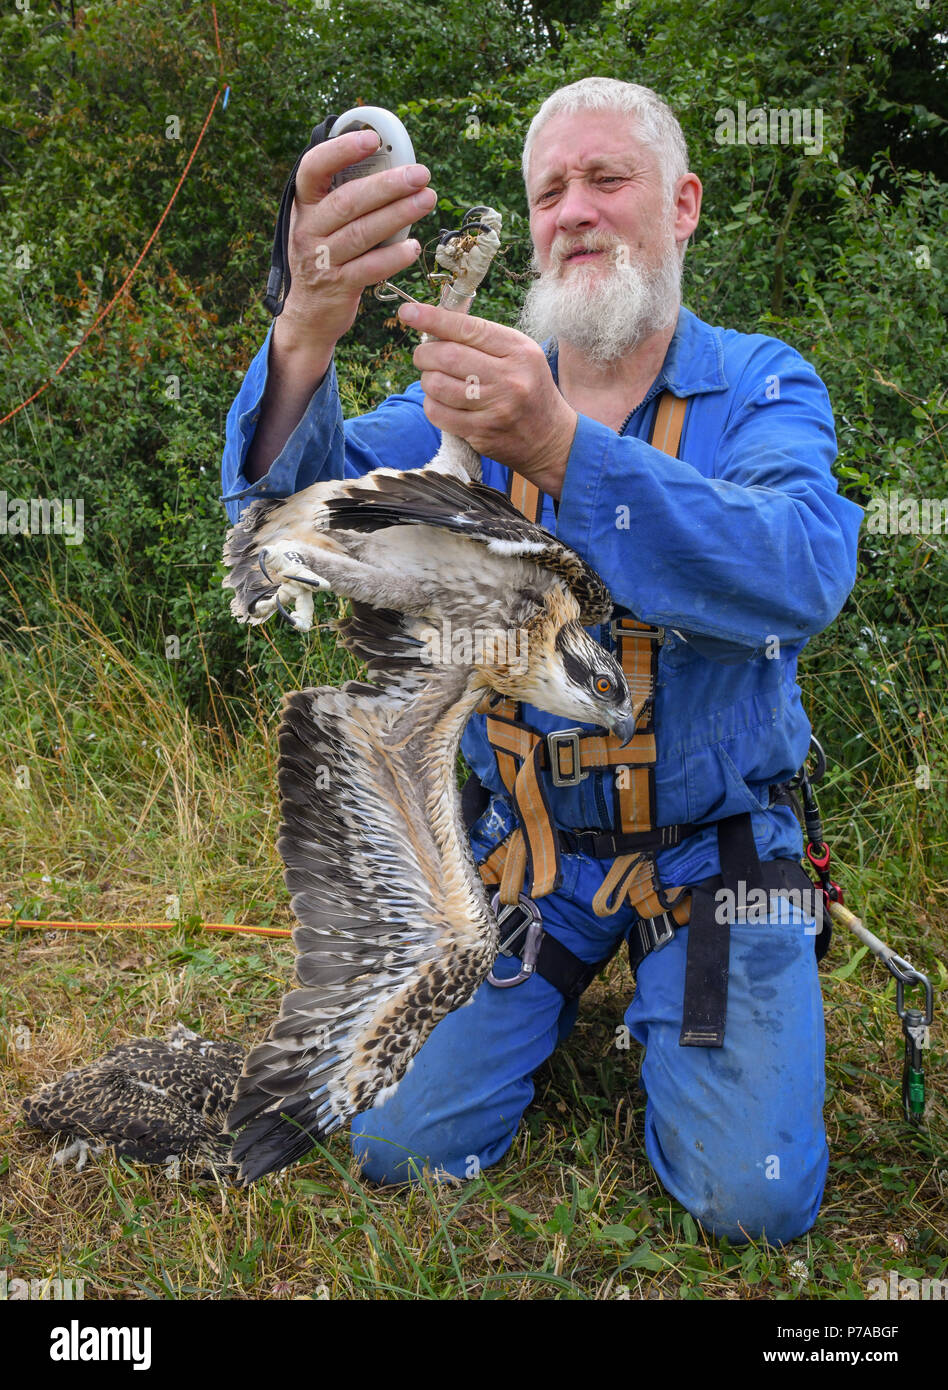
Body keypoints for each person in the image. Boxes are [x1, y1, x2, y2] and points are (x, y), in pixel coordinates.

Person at [221, 77, 862, 1245]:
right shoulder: (456, 408)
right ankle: (554, 985)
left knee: (753, 1199)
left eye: (607, 178)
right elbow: (284, 509)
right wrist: (305, 326)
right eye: (549, 190)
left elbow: (801, 571)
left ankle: (688, 985)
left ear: (684, 205)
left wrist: (563, 450)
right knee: (399, 1145)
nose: (574, 210)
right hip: (525, 851)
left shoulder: (759, 384)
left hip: (713, 849)